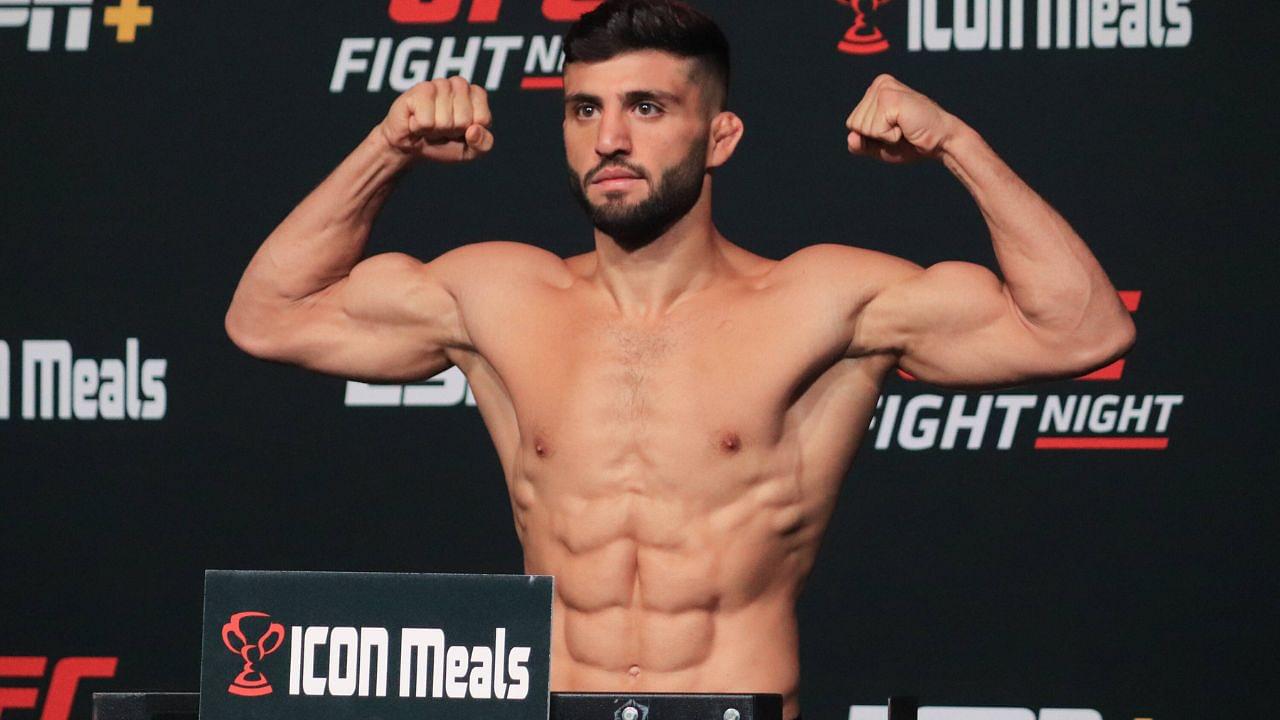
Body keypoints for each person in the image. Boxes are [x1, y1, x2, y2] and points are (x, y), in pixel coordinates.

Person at [224, 1, 1135, 718]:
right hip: (556, 712)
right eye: (586, 110)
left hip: (735, 711)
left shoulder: (822, 302)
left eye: (647, 108)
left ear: (720, 136)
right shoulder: (497, 296)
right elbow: (268, 317)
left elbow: (1079, 331)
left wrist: (955, 143)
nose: (609, 138)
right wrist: (388, 148)